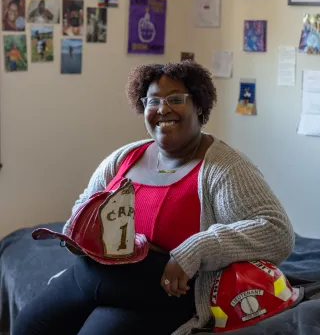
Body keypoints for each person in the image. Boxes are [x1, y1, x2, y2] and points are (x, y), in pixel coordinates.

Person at [13, 62, 295, 335]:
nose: (163, 109)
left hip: (165, 293)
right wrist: (82, 232)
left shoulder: (223, 167)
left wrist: (196, 249)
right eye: (152, 101)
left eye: (175, 99)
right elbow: (84, 205)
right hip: (95, 278)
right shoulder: (125, 157)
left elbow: (277, 231)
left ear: (198, 104)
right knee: (28, 325)